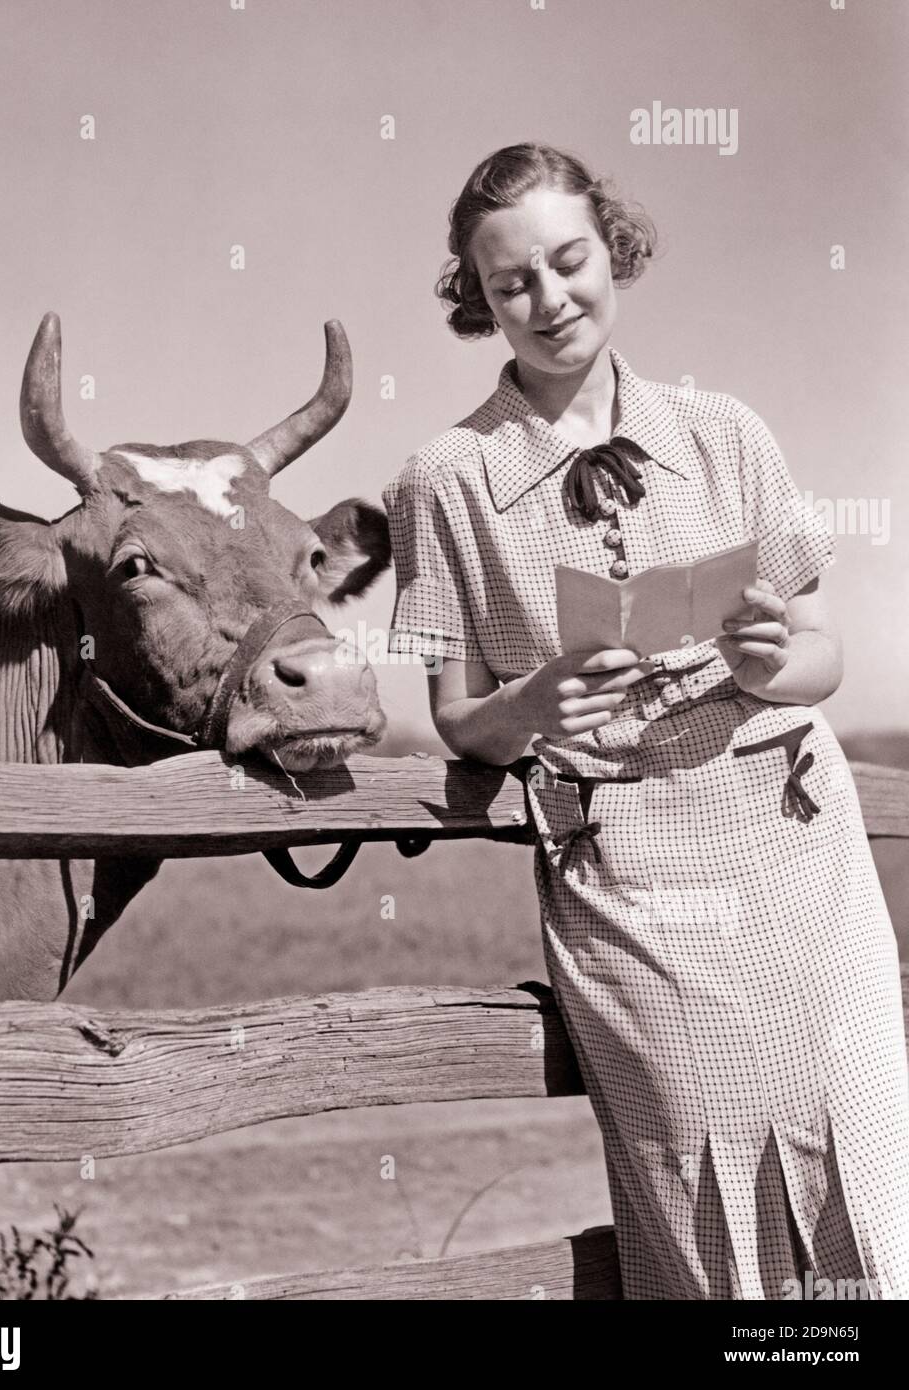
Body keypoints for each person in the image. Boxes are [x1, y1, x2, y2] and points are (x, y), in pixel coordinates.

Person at [381, 142, 909, 1300]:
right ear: (475, 296)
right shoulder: (444, 478)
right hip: (629, 875)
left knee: (863, 1153)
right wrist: (524, 705)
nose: (548, 299)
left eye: (568, 262)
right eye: (510, 281)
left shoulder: (726, 431)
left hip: (795, 844)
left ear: (610, 250)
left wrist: (777, 659)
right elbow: (456, 721)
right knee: (698, 1158)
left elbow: (823, 655)